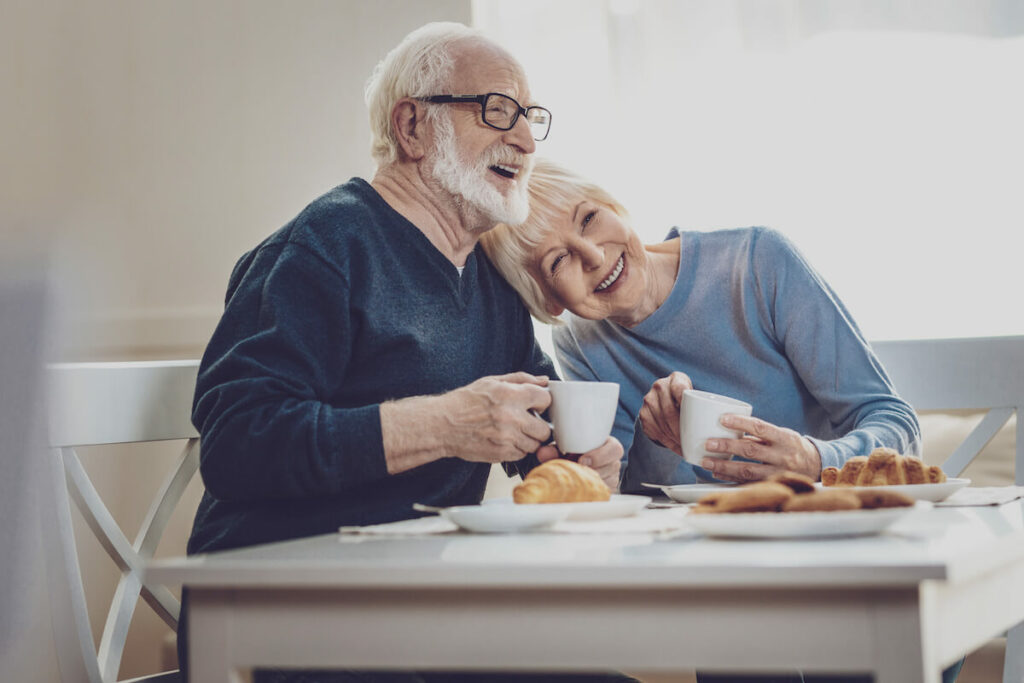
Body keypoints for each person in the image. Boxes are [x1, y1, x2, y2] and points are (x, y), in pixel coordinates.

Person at [181, 23, 629, 683]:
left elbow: (541, 434)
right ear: (414, 127)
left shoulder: (491, 285)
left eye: (530, 118)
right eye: (497, 111)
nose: (527, 141)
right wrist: (443, 424)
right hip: (284, 603)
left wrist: (584, 460)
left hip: (423, 605)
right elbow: (236, 443)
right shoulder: (324, 247)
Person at [481, 159, 962, 683]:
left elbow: (893, 420)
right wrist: (618, 466)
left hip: (861, 568)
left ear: (616, 207)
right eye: (558, 263)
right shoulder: (581, 339)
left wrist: (813, 460)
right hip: (736, 580)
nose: (594, 256)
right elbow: (617, 499)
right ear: (550, 303)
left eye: (590, 218)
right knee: (731, 630)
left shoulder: (756, 262)